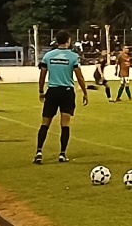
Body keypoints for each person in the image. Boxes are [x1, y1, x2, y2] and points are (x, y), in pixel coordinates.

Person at [34, 30, 89, 164]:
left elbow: (42, 75)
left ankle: (39, 152)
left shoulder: (48, 56)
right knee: (65, 124)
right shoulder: (73, 57)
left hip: (52, 91)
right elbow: (79, 76)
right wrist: (85, 92)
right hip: (67, 92)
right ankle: (62, 154)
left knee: (45, 123)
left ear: (57, 41)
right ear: (68, 40)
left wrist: (41, 90)